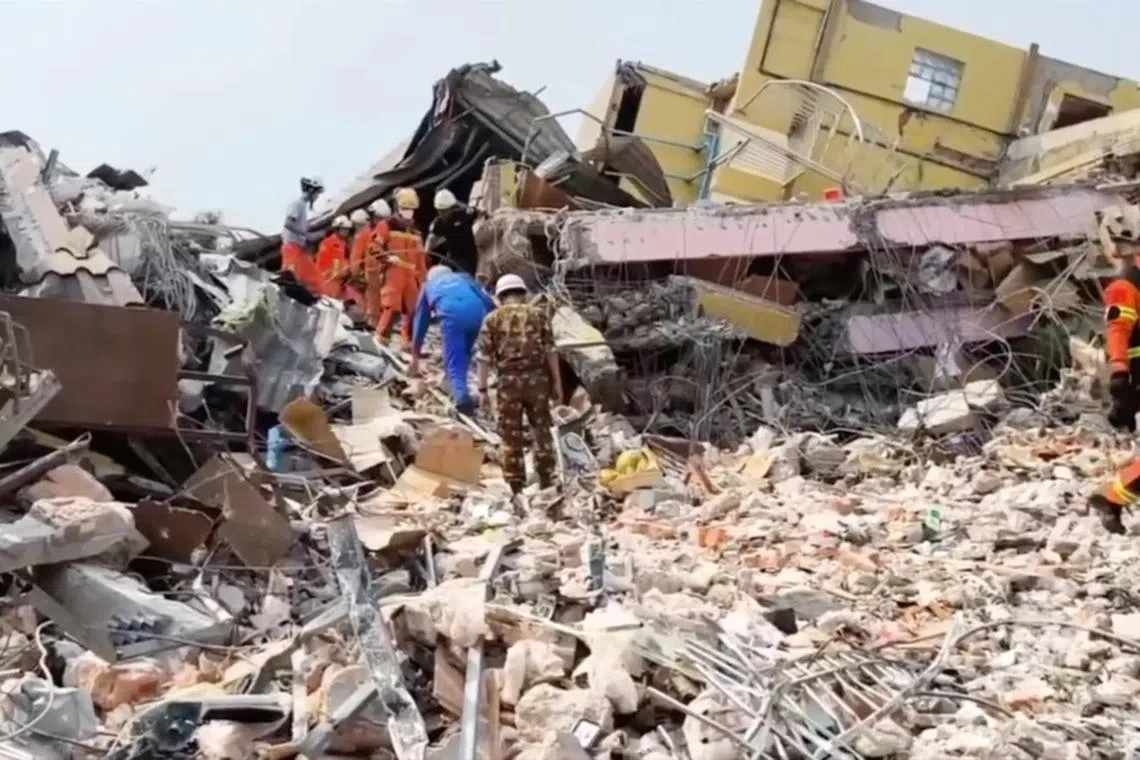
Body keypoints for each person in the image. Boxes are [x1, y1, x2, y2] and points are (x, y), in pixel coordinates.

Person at [476, 274, 564, 495]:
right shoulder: (539, 316)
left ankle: (516, 486)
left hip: (508, 383)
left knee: (510, 433)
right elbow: (551, 351)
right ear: (523, 293)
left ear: (500, 296)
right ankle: (547, 479)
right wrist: (557, 384)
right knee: (541, 429)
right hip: (538, 380)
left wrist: (483, 390)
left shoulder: (492, 320)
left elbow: (484, 359)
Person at [1089, 203, 1140, 534]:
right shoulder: (1126, 286)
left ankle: (1111, 497)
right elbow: (1118, 332)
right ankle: (1110, 497)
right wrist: (1120, 377)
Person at [409, 265, 496, 415]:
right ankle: (481, 390)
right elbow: (486, 300)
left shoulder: (428, 286)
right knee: (468, 351)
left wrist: (415, 356)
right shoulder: (464, 277)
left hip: (452, 318)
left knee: (455, 360)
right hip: (479, 315)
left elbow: (420, 322)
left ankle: (462, 398)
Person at [376, 188, 427, 348]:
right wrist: (386, 257)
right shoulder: (387, 225)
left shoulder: (416, 231)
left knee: (413, 309)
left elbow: (421, 259)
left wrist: (424, 280)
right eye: (405, 209)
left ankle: (408, 343)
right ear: (398, 207)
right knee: (392, 307)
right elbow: (374, 248)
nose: (408, 212)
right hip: (394, 272)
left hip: (411, 275)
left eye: (411, 209)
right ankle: (381, 338)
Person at [281, 176, 324, 291]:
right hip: (292, 247)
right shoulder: (297, 204)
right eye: (317, 193)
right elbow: (288, 224)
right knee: (289, 276)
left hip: (299, 249)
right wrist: (308, 235)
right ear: (311, 191)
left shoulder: (303, 207)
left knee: (314, 278)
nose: (317, 197)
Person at [426, 188, 480, 276]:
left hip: (467, 257)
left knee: (463, 277)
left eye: (445, 210)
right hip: (451, 257)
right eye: (440, 211)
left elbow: (479, 211)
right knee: (438, 273)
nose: (443, 214)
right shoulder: (438, 223)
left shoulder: (464, 214)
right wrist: (426, 253)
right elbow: (431, 237)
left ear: (452, 208)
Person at [315, 215, 352, 299]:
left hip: (339, 283)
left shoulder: (343, 243)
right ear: (337, 229)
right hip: (329, 282)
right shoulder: (330, 243)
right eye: (344, 229)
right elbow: (334, 264)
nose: (346, 231)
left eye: (347, 229)